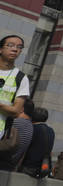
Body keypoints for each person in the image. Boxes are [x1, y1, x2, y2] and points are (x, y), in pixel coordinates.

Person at [0, 34, 30, 168]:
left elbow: (16, 111)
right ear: (1, 49)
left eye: (19, 47)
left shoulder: (21, 78)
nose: (15, 49)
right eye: (10, 45)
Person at [19, 103, 55, 177]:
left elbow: (24, 146)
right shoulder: (51, 131)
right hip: (43, 167)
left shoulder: (32, 128)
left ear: (32, 116)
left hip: (28, 166)